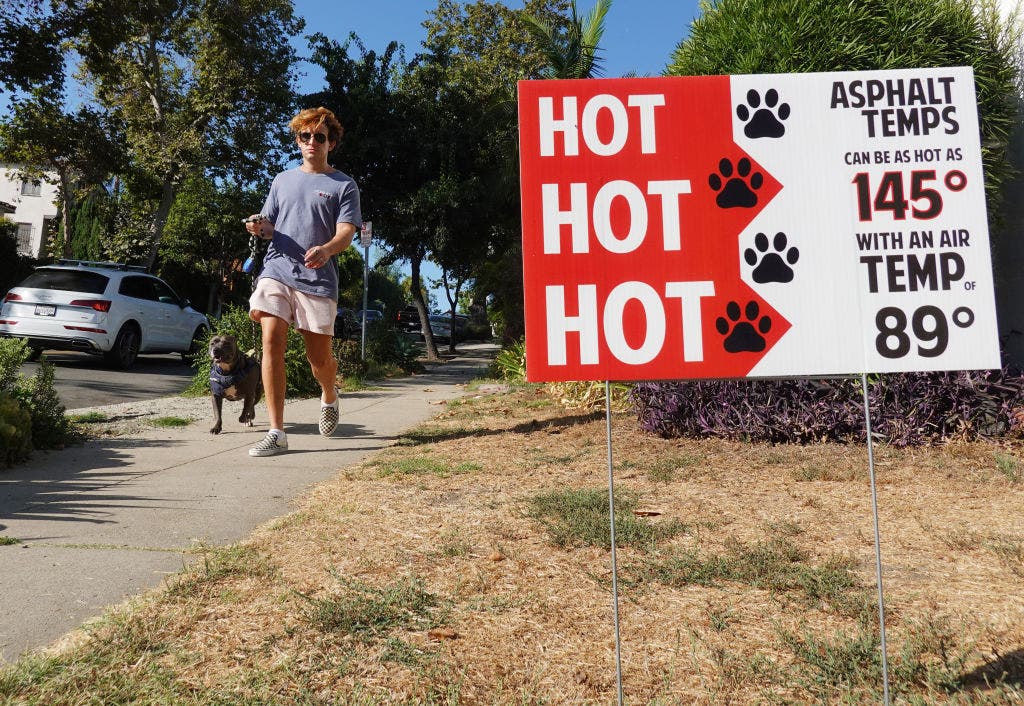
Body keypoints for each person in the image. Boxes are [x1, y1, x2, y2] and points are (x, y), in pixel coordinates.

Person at [244, 106, 361, 457]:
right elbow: (271, 225)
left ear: (331, 143)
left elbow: (346, 233)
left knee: (318, 359)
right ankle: (276, 431)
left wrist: (326, 250)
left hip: (318, 280)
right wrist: (257, 227)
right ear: (297, 141)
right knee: (272, 340)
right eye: (304, 136)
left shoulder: (344, 185)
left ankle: (329, 392)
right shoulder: (282, 180)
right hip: (277, 270)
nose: (312, 142)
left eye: (319, 137)